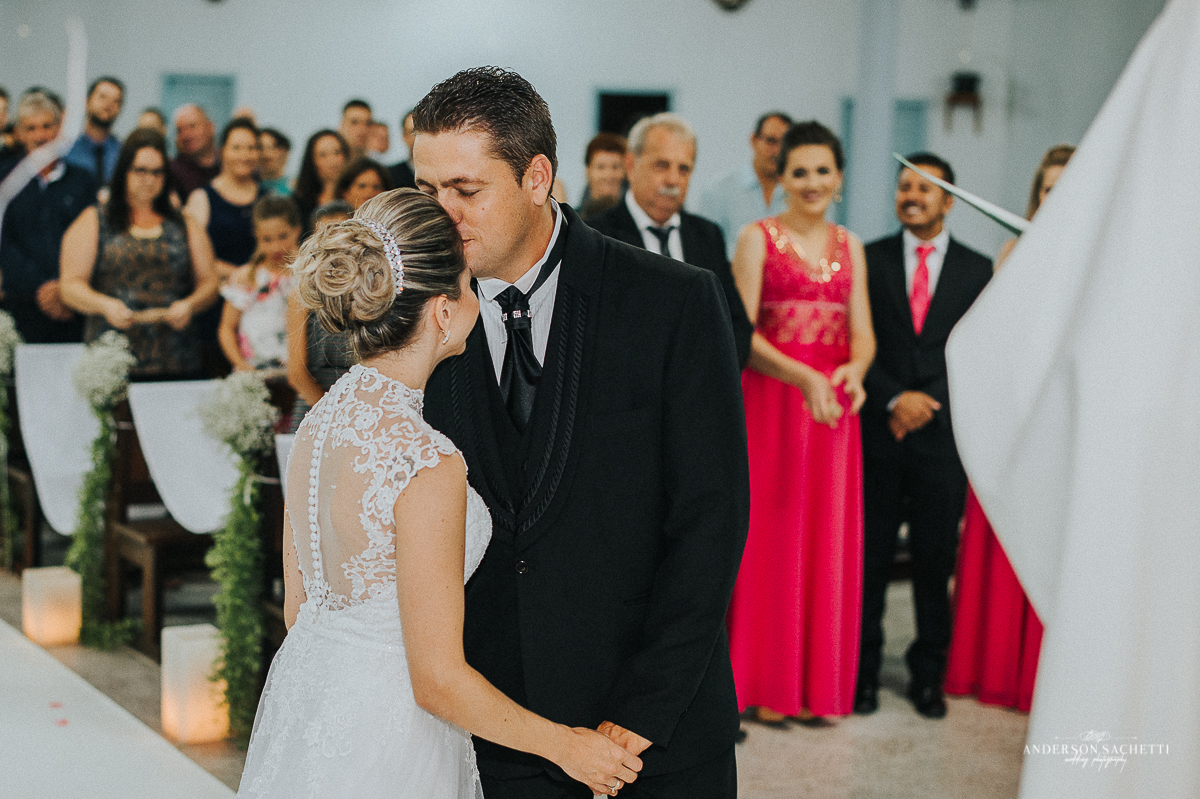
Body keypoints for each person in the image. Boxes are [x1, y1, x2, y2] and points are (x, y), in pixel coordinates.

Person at [237, 189, 643, 799]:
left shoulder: (319, 423)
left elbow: (303, 610)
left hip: (314, 709)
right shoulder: (425, 460)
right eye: (467, 280)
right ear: (444, 311)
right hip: (392, 733)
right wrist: (569, 747)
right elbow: (437, 681)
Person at [415, 66, 748, 799]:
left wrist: (642, 712)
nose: (442, 215)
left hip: (653, 737)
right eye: (426, 190)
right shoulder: (419, 325)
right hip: (497, 740)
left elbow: (711, 519)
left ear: (537, 177)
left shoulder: (676, 301)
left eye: (465, 191)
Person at [726, 120, 874, 726]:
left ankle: (815, 688)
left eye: (822, 170)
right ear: (781, 177)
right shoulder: (756, 237)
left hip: (832, 414)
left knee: (824, 544)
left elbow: (862, 335)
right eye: (800, 171)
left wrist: (855, 373)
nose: (811, 182)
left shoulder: (852, 245)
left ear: (838, 178)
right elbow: (744, 334)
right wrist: (803, 377)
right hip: (770, 404)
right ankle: (758, 685)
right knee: (769, 538)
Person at [855, 153, 992, 720]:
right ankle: (861, 674)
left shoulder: (977, 269)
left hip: (941, 438)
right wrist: (892, 397)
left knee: (935, 563)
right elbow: (856, 338)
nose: (911, 195)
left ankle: (927, 676)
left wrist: (924, 400)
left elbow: (978, 347)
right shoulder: (869, 259)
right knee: (872, 560)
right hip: (878, 431)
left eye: (925, 187)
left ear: (949, 200)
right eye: (904, 186)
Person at [943, 143, 1073, 714]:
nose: (1057, 200)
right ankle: (995, 664)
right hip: (1019, 417)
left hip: (1069, 419)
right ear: (1035, 197)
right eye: (1048, 191)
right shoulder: (1014, 250)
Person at [588, 113, 752, 367]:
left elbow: (736, 326)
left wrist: (708, 377)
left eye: (683, 169)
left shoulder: (707, 236)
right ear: (631, 165)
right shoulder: (598, 236)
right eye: (661, 165)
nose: (673, 180)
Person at [59, 128, 219, 378]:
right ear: (124, 171)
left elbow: (209, 282)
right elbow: (70, 286)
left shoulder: (184, 223)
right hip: (111, 357)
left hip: (175, 356)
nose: (149, 179)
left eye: (157, 172)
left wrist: (190, 305)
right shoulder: (96, 219)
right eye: (140, 170)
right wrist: (104, 305)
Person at [0, 89, 93, 343]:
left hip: (72, 305)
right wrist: (41, 287)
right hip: (21, 304)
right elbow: (4, 242)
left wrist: (64, 288)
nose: (40, 136)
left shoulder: (82, 180)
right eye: (31, 128)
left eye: (46, 126)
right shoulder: (6, 179)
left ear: (59, 128)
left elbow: (90, 238)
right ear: (19, 133)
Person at [285, 200, 356, 432]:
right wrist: (331, 416)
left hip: (362, 409)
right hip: (315, 407)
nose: (334, 242)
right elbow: (297, 373)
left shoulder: (372, 291)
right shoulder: (302, 295)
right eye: (325, 234)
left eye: (342, 232)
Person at [217, 196, 300, 373]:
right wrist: (242, 365)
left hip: (297, 371)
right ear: (257, 236)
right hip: (254, 370)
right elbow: (227, 327)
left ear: (297, 230)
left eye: (283, 236)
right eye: (267, 239)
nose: (276, 247)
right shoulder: (247, 277)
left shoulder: (307, 275)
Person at [699, 112, 793, 258]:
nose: (777, 151)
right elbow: (704, 250)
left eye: (785, 143)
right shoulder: (719, 190)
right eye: (771, 141)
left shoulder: (796, 193)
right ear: (754, 140)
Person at [184, 117, 264, 278]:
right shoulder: (201, 198)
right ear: (222, 151)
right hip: (216, 291)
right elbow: (192, 256)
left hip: (262, 291)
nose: (245, 155)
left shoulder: (267, 198)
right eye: (236, 148)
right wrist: (239, 275)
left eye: (251, 148)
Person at [64, 76, 124, 186]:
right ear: (87, 101)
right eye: (102, 97)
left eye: (116, 101)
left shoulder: (123, 153)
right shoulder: (67, 149)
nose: (108, 104)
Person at [292, 129, 349, 234]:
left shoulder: (356, 194)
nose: (332, 160)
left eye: (337, 152)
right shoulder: (298, 203)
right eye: (323, 155)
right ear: (312, 161)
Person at [170, 104, 220, 200]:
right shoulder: (172, 172)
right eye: (180, 130)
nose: (186, 135)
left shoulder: (227, 165)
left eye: (192, 126)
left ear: (210, 127)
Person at [576, 132, 626, 221]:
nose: (609, 175)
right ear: (588, 170)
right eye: (601, 167)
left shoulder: (637, 221)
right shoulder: (572, 221)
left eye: (615, 167)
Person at [387, 109, 418, 189]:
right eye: (412, 132)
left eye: (421, 131)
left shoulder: (444, 171)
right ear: (404, 136)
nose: (417, 137)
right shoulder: (391, 175)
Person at [258, 128, 292, 196]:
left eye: (270, 147)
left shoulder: (294, 188)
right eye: (260, 148)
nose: (266, 154)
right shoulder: (249, 187)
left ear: (285, 152)